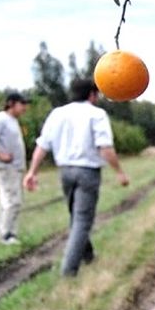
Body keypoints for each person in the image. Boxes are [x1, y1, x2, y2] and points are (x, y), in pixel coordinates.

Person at [23, 79, 129, 277]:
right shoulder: (96, 114)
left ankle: (88, 256)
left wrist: (32, 172)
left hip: (65, 171)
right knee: (81, 219)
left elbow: (42, 145)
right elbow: (105, 147)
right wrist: (120, 172)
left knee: (76, 216)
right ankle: (69, 270)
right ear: (92, 94)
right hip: (87, 171)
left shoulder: (58, 113)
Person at [0, 92, 30, 245]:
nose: (25, 108)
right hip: (6, 167)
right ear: (11, 103)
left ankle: (7, 233)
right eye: (22, 104)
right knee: (12, 201)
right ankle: (6, 235)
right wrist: (0, 154)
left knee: (8, 201)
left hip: (14, 168)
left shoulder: (12, 120)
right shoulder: (1, 119)